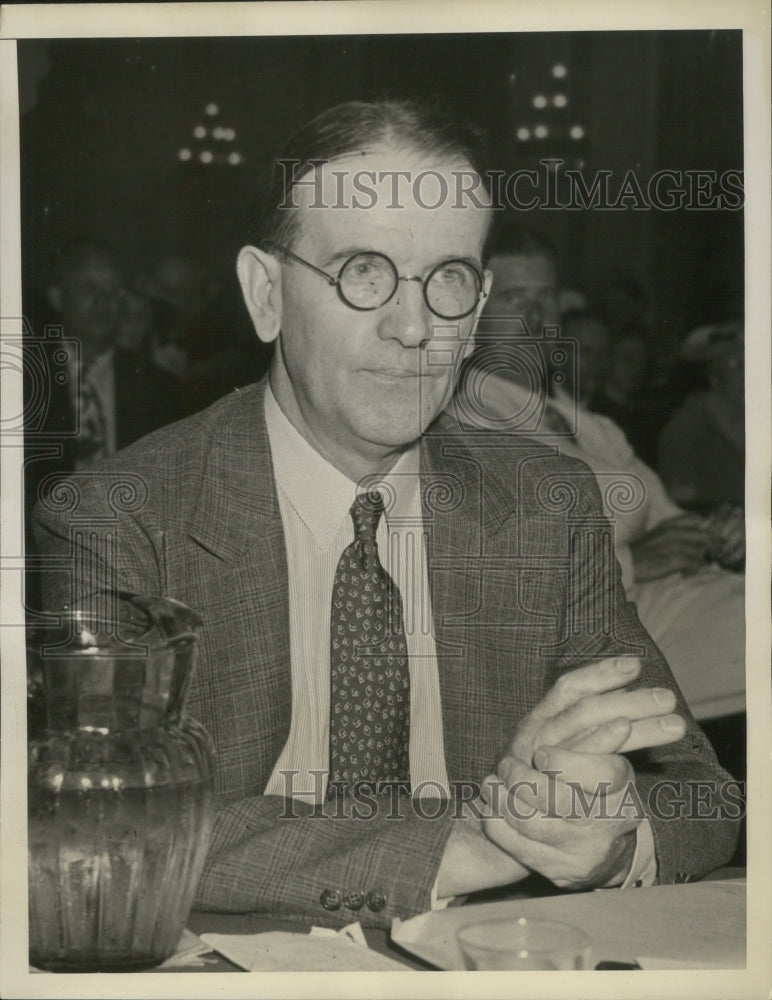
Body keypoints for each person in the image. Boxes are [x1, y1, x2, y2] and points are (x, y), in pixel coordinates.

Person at [33, 101, 738, 928]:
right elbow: (106, 821)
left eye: (448, 280)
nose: (414, 328)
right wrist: (474, 842)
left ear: (476, 313)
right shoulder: (118, 517)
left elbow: (705, 797)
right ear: (266, 294)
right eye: (363, 271)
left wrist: (612, 837)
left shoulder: (548, 508)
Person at [455, 223, 745, 724]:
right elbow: (492, 574)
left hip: (681, 600)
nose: (535, 313)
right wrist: (634, 562)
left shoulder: (587, 423)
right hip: (595, 640)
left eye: (545, 295)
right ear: (473, 312)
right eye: (513, 297)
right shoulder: (460, 421)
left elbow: (669, 518)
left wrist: (721, 533)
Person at [658, 321, 745, 516]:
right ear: (714, 376)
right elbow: (681, 508)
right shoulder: (687, 426)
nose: (747, 375)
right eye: (736, 366)